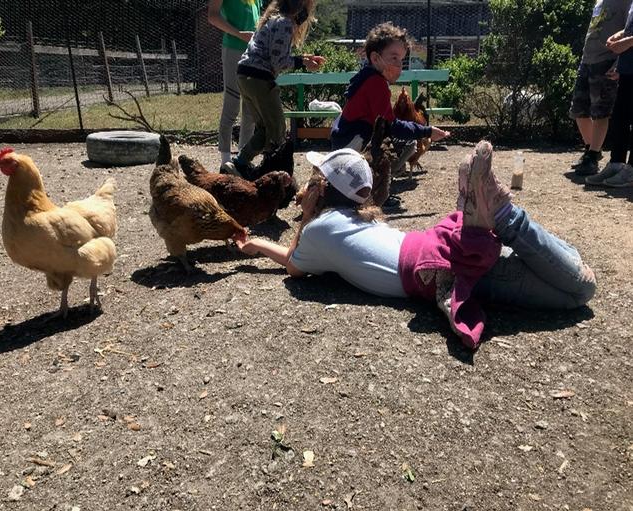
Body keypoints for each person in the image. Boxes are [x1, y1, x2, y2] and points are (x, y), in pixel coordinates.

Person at [235, 144, 596, 351]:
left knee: (580, 290)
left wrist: (297, 223)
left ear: (323, 190)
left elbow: (295, 267)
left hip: (435, 269)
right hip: (433, 244)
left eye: (313, 182)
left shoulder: (318, 232)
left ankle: (507, 216)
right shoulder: (365, 218)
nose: (306, 189)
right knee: (571, 276)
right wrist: (260, 240)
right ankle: (504, 219)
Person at [330, 22, 450, 207]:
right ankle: (371, 191)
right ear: (376, 58)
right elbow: (391, 126)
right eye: (393, 57)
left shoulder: (367, 76)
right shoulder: (376, 83)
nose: (398, 64)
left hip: (344, 138)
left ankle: (363, 187)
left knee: (392, 140)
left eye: (401, 59)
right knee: (407, 144)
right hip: (351, 144)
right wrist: (426, 131)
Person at [220, 0, 325, 180]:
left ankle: (242, 164)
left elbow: (274, 53)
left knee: (264, 129)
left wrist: (303, 58)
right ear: (299, 10)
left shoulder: (272, 20)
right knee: (277, 129)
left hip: (246, 75)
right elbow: (279, 62)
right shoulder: (285, 24)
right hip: (260, 78)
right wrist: (303, 63)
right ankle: (265, 169)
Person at [569, 0, 631, 177]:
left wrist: (620, 63)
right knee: (578, 111)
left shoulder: (626, 2)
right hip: (587, 60)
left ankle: (593, 155)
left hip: (607, 61)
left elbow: (628, 30)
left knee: (600, 111)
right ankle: (591, 150)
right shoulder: (599, 1)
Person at [208, 0, 261, 166]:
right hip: (233, 48)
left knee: (250, 107)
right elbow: (212, 16)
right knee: (231, 103)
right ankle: (225, 160)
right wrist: (239, 34)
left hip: (253, 51)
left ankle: (243, 160)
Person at [587, 0, 633, 186]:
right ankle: (616, 164)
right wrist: (620, 35)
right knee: (620, 117)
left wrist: (628, 41)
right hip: (629, 66)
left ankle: (631, 170)